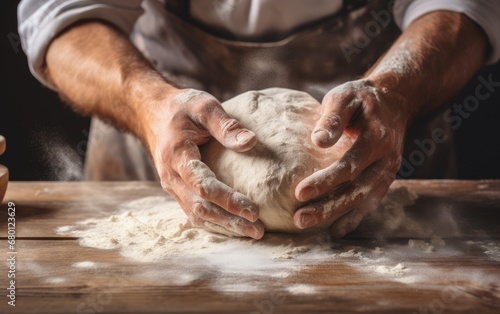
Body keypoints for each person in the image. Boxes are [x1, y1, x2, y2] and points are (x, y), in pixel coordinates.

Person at [18, 0, 500, 239]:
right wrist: (149, 105)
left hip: (376, 127)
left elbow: (466, 7)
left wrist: (393, 91)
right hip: (159, 118)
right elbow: (61, 17)